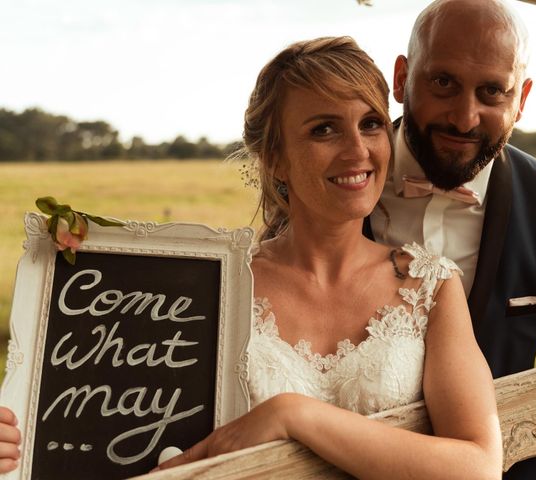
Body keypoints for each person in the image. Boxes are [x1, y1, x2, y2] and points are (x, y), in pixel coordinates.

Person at [0, 37, 501, 478]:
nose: (358, 149)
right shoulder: (204, 288)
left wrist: (293, 415)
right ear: (275, 157)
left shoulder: (429, 286)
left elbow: (477, 466)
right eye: (324, 129)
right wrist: (16, 443)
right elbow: (111, 427)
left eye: (371, 123)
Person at [365, 1, 536, 478]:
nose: (465, 119)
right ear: (402, 77)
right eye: (444, 83)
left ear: (523, 98)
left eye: (492, 91)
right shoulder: (337, 181)